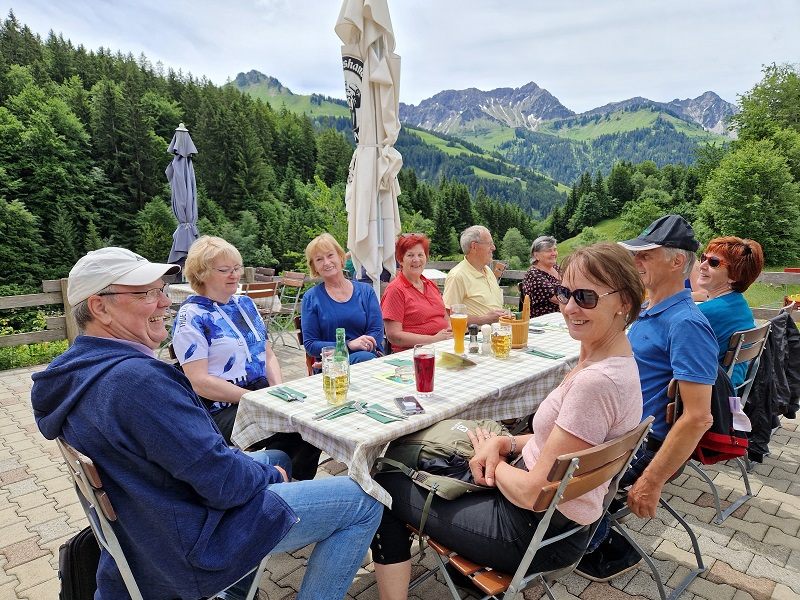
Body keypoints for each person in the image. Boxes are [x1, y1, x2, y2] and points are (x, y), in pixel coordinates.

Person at [31, 247, 381, 600]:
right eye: (146, 294)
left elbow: (203, 464)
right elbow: (223, 482)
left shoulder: (76, 374)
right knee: (364, 501)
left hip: (147, 521)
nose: (164, 303)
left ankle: (237, 591)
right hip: (190, 542)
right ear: (99, 307)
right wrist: (271, 479)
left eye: (161, 291)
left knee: (278, 456)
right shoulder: (135, 383)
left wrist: (267, 470)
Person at [371, 243, 645, 600]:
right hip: (564, 521)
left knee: (383, 483)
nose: (570, 307)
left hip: (531, 531)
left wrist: (493, 459)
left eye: (586, 297)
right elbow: (562, 447)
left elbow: (534, 493)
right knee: (442, 453)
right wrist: (506, 443)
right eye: (565, 293)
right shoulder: (612, 361)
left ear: (623, 301)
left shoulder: (595, 383)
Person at [576, 215, 718, 582]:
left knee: (545, 458)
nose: (635, 263)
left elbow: (699, 417)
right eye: (634, 256)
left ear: (676, 262)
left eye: (645, 256)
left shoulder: (686, 323)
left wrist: (651, 481)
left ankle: (592, 542)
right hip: (620, 432)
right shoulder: (652, 310)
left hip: (636, 447)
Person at [171, 236, 322, 480]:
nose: (234, 274)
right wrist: (256, 399)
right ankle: (274, 481)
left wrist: (278, 390)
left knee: (313, 419)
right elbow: (199, 381)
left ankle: (289, 482)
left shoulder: (245, 304)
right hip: (221, 408)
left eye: (237, 268)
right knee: (296, 427)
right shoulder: (192, 316)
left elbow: (267, 352)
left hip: (260, 397)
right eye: (224, 270)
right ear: (201, 273)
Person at [302, 233, 384, 363]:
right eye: (319, 259)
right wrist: (348, 345)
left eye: (330, 255)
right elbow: (311, 345)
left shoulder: (366, 292)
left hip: (367, 357)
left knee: (364, 358)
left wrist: (357, 347)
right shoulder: (311, 298)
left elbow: (377, 332)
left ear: (340, 257)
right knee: (364, 359)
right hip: (332, 365)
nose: (326, 262)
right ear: (314, 268)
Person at [695, 236, 764, 388]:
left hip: (713, 392)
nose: (702, 265)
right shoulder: (739, 303)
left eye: (714, 262)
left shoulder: (704, 313)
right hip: (733, 385)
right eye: (703, 258)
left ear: (734, 276)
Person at [381, 233, 452, 353]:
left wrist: (450, 332)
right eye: (410, 255)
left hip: (443, 347)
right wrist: (433, 340)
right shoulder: (395, 290)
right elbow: (393, 336)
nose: (416, 260)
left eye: (420, 255)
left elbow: (445, 318)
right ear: (400, 259)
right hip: (412, 353)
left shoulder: (431, 285)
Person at [442, 225, 507, 325]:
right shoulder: (457, 276)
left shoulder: (488, 270)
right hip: (474, 336)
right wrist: (484, 319)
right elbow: (448, 316)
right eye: (489, 244)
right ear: (474, 246)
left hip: (499, 333)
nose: (493, 248)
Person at [519, 235, 561, 316]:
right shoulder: (534, 274)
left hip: (562, 316)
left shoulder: (556, 267)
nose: (553, 253)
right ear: (536, 255)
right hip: (544, 321)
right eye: (548, 251)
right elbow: (557, 298)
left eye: (555, 249)